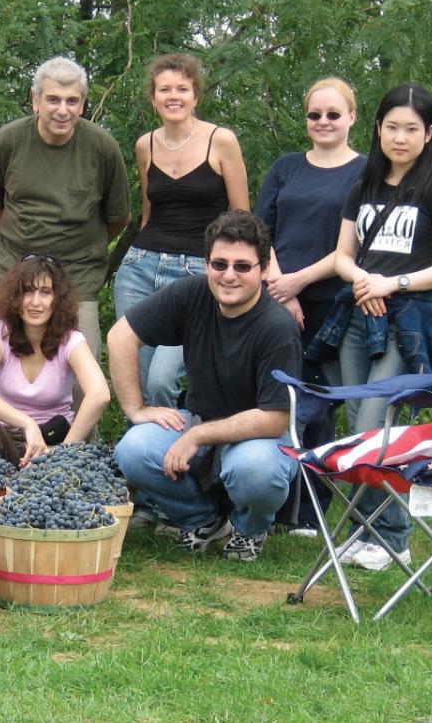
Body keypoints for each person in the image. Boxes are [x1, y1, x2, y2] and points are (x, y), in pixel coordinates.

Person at [310, 83, 432, 572]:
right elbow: (341, 255)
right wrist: (364, 282)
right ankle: (364, 532)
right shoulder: (364, 188)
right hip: (358, 314)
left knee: (377, 422)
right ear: (377, 130)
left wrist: (391, 283)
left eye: (411, 129)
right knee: (357, 424)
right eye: (392, 127)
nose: (400, 138)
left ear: (429, 134)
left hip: (406, 321)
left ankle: (395, 537)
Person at [109, 211, 301, 562]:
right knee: (132, 449)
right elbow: (121, 335)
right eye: (219, 263)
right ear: (206, 263)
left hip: (261, 438)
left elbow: (274, 420)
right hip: (200, 420)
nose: (229, 275)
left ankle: (249, 530)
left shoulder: (277, 327)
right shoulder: (191, 293)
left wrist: (195, 436)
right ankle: (204, 521)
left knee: (256, 469)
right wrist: (136, 410)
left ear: (262, 268)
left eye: (242, 266)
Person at [255, 77, 366, 536]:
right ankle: (275, 501)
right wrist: (283, 289)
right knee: (278, 399)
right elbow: (260, 229)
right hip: (276, 299)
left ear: (352, 118)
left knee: (322, 403)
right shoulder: (285, 168)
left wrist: (301, 283)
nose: (322, 122)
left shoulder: (366, 172)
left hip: (334, 303)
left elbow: (358, 240)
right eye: (314, 114)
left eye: (333, 114)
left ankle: (312, 510)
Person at [113, 53, 249, 409]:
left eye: (182, 89)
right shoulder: (146, 145)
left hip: (194, 274)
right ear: (153, 97)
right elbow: (147, 212)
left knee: (161, 381)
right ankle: (140, 461)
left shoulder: (221, 141)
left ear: (195, 95)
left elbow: (242, 218)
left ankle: (178, 456)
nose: (174, 96)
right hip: (140, 268)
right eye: (165, 89)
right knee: (137, 385)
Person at [0, 56, 130, 356]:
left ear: (83, 105)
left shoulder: (102, 147)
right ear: (35, 101)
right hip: (11, 267)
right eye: (53, 100)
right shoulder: (8, 140)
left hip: (77, 272)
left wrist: (77, 246)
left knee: (82, 382)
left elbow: (118, 218)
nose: (63, 110)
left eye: (72, 101)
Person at [0, 254, 110, 467]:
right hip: (4, 440)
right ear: (16, 297)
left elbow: (100, 395)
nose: (35, 302)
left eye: (45, 292)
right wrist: (28, 424)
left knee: (82, 436)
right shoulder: (0, 333)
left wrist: (62, 455)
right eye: (28, 291)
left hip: (53, 441)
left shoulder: (71, 340)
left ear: (57, 299)